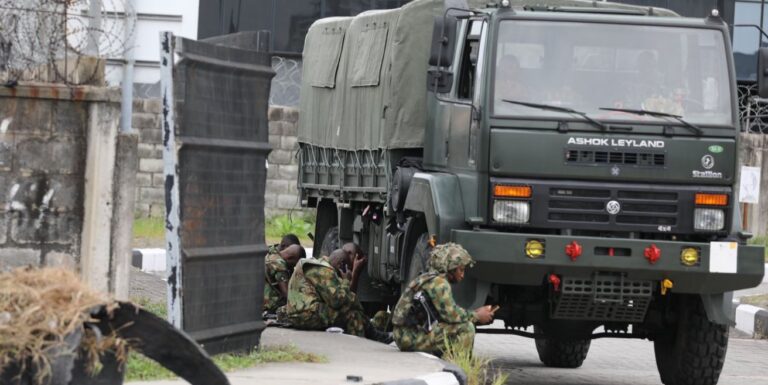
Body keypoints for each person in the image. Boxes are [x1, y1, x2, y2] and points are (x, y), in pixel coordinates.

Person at [392, 243, 495, 356]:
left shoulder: (430, 278)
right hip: (408, 337)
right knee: (466, 328)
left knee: (454, 325)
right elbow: (451, 315)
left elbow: (447, 313)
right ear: (451, 268)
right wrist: (477, 316)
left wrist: (475, 313)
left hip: (405, 334)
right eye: (461, 270)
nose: (462, 275)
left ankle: (446, 357)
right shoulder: (439, 283)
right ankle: (459, 365)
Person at [283, 247, 391, 343]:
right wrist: (346, 281)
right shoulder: (324, 271)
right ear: (341, 265)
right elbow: (337, 301)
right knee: (353, 315)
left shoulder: (319, 264)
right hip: (306, 314)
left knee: (351, 311)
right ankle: (361, 346)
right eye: (347, 267)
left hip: (300, 313)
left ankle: (374, 334)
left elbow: (345, 299)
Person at [263, 244, 305, 316]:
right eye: (294, 264)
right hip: (266, 304)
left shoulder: (271, 252)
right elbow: (287, 294)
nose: (293, 267)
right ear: (290, 258)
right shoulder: (280, 265)